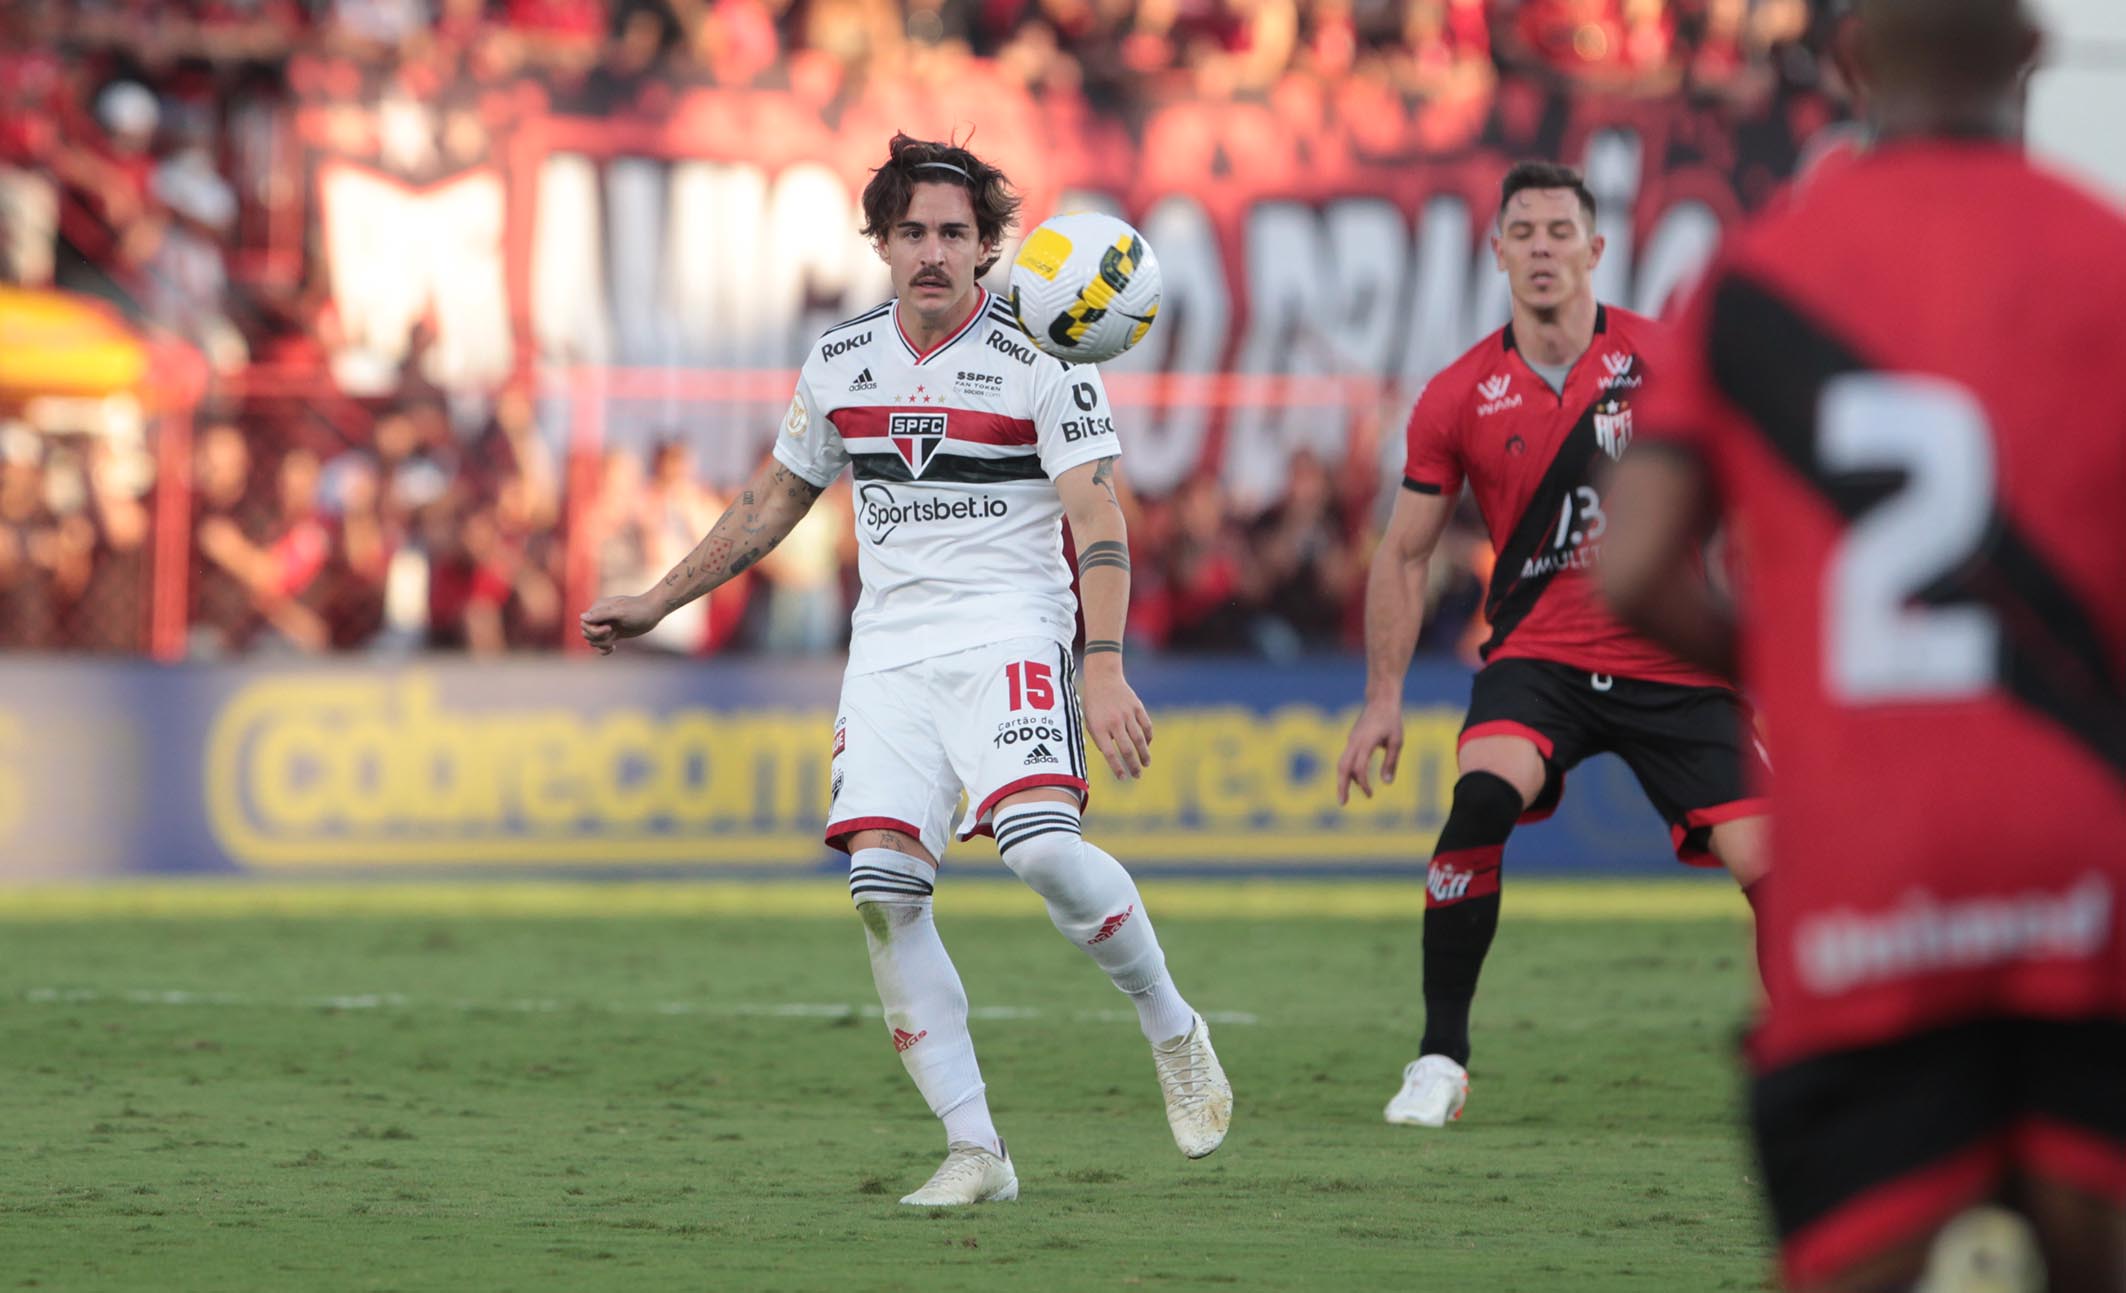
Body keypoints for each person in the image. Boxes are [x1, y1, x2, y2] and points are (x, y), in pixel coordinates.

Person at [580, 132, 1233, 1206]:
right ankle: (976, 1149)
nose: (932, 251)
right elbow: (772, 501)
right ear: (880, 241)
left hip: (1011, 632)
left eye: (955, 233)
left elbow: (1096, 518)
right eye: (913, 231)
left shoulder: (1044, 358)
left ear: (988, 249)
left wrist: (1101, 665)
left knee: (1038, 852)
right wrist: (659, 598)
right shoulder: (841, 360)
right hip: (886, 652)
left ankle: (1170, 1024)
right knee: (882, 892)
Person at [1600, 1, 2126, 1288]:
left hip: (1866, 882)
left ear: (1847, 65)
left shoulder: (1753, 279)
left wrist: (1794, 671)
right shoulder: (2104, 258)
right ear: (2029, 61)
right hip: (2083, 862)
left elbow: (1628, 568)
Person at [1335, 160, 1771, 1130]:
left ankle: (1818, 1065)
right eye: (1521, 232)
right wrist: (1380, 698)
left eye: (1557, 232)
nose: (1540, 249)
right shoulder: (1455, 395)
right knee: (1480, 796)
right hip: (1539, 660)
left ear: (1594, 249)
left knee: (1773, 864)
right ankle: (1438, 1060)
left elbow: (1749, 507)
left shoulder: (1671, 361)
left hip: (1676, 663)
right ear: (1495, 252)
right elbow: (1402, 556)